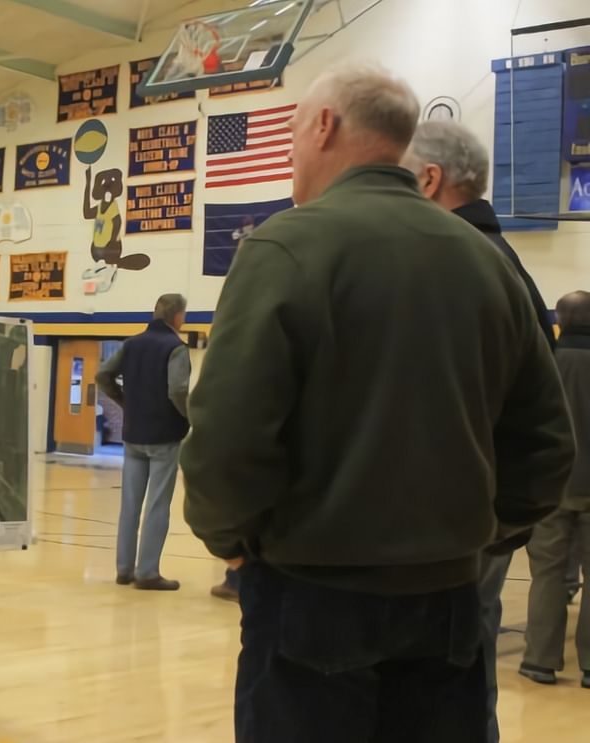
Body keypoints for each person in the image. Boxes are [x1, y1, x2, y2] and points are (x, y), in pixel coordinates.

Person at [181, 63, 574, 743]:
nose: (292, 154)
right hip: (449, 597)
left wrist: (230, 541)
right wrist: (480, 535)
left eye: (296, 133)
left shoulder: (285, 247)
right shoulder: (490, 264)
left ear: (326, 126)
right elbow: (545, 446)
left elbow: (226, 440)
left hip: (311, 594)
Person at [402, 119, 558, 743]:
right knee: (464, 670)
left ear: (430, 178)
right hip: (477, 521)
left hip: (451, 528)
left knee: (443, 683)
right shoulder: (508, 264)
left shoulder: (457, 264)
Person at [519, 291, 590, 689]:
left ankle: (540, 661)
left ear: (560, 319)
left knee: (546, 575)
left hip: (551, 488)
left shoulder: (544, 364)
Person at [96, 293, 191, 591]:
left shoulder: (131, 344)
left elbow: (102, 375)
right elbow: (177, 390)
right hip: (164, 435)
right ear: (177, 317)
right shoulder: (175, 348)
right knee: (157, 505)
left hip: (133, 434)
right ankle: (147, 572)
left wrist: (125, 402)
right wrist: (188, 417)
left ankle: (124, 569)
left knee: (130, 504)